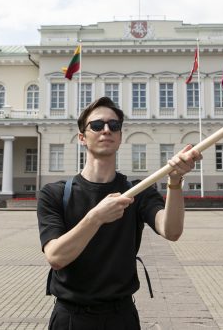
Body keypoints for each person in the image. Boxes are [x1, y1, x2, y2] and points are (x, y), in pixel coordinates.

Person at [37, 96, 202, 329]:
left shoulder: (137, 191)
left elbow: (171, 230)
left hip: (121, 316)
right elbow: (56, 257)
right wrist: (96, 217)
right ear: (82, 138)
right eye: (97, 125)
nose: (106, 130)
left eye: (114, 126)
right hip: (71, 317)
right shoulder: (54, 194)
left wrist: (174, 181)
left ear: (121, 137)